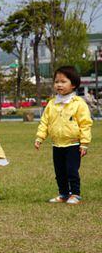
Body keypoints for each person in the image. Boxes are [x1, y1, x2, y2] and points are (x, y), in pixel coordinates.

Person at [35, 66, 93, 205]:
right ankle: (63, 194)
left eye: (63, 81)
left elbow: (85, 123)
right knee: (60, 172)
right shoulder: (52, 103)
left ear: (73, 84)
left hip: (73, 144)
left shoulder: (79, 103)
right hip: (57, 144)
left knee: (72, 170)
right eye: (56, 81)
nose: (59, 85)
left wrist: (84, 143)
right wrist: (39, 137)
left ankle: (75, 194)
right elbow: (45, 122)